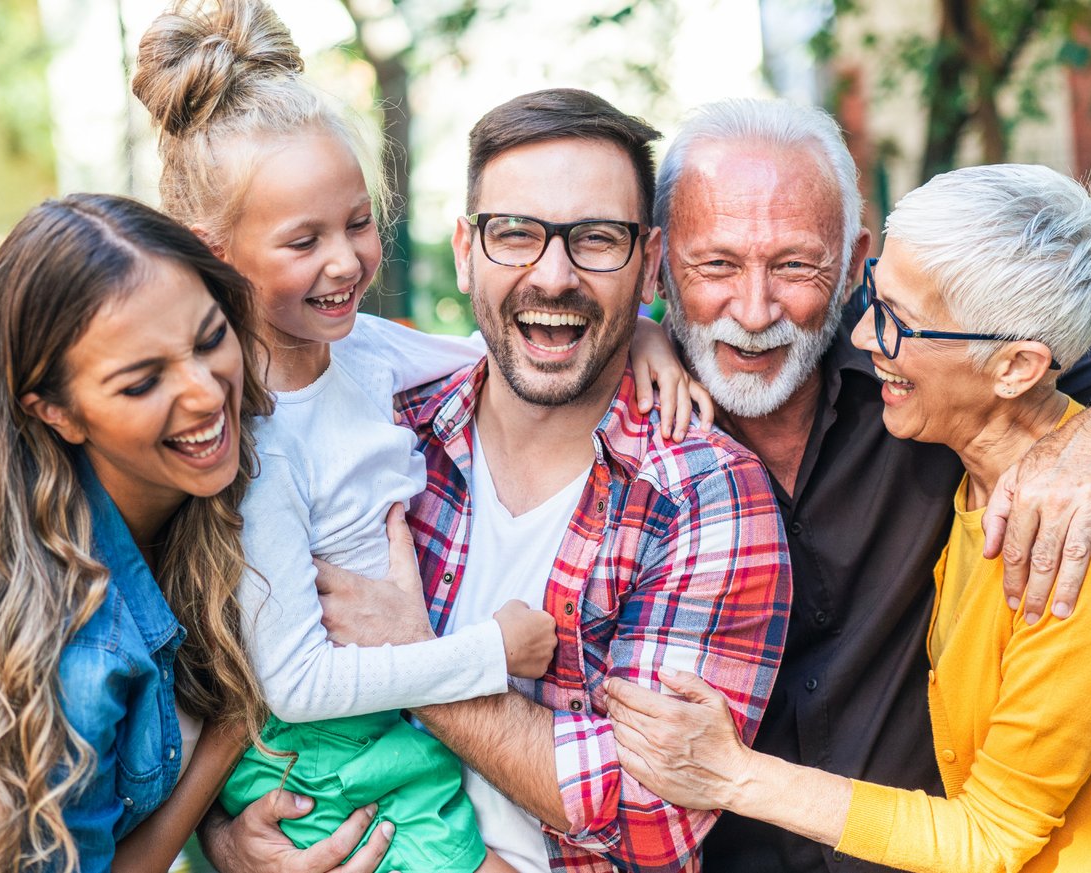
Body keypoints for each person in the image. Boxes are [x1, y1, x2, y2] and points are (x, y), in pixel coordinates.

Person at [131, 10, 711, 872]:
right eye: (304, 241)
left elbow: (518, 341)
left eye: (357, 224)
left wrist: (647, 332)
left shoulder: (360, 351)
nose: (346, 261)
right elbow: (290, 680)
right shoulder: (246, 436)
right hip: (319, 742)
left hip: (383, 728)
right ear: (216, 254)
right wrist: (490, 654)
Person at [635, 98, 1091, 872]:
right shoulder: (627, 412)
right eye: (714, 265)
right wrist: (638, 330)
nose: (753, 312)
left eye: (794, 265)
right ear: (659, 262)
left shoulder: (976, 386)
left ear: (852, 263)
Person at [235, 88, 793, 873]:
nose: (554, 274)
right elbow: (237, 661)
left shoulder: (702, 494)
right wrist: (233, 837)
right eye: (516, 234)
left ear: (650, 262)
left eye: (597, 239)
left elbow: (651, 815)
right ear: (465, 250)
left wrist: (417, 656)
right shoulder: (385, 432)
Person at [0, 193, 298, 872]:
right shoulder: (74, 649)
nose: (206, 392)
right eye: (142, 382)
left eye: (210, 337)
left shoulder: (198, 485)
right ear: (58, 413)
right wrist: (227, 738)